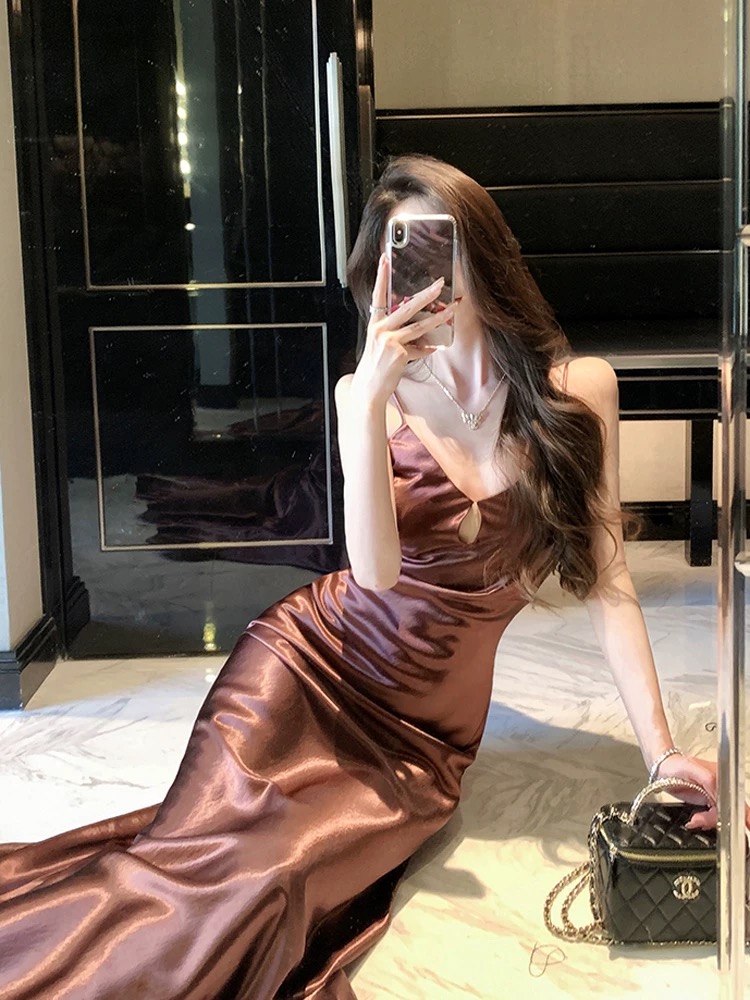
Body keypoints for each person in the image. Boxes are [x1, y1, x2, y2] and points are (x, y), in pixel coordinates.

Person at [0, 155, 723, 999]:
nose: (429, 276)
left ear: (484, 253)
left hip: (423, 742)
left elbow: (608, 582)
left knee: (285, 883)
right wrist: (373, 400)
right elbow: (375, 575)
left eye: (443, 246)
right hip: (302, 669)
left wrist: (662, 753)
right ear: (379, 275)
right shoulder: (364, 395)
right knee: (204, 881)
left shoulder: (578, 390)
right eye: (404, 255)